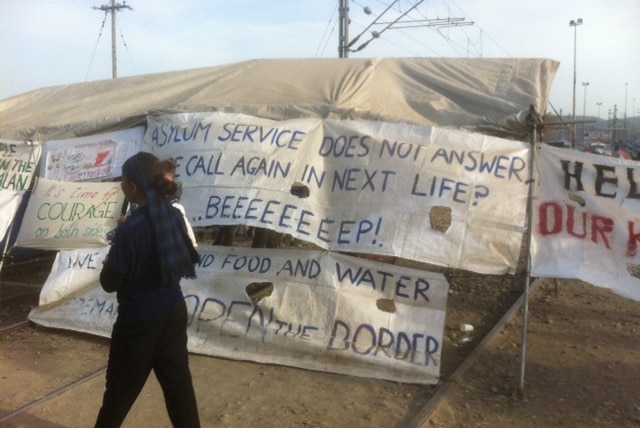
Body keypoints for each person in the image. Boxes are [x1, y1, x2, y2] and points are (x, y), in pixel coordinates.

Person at [95, 152, 200, 428]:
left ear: (131, 186)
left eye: (123, 179)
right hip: (173, 312)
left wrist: (115, 246)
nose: (120, 183)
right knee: (179, 389)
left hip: (138, 324)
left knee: (118, 393)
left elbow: (109, 282)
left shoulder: (131, 230)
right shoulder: (173, 215)